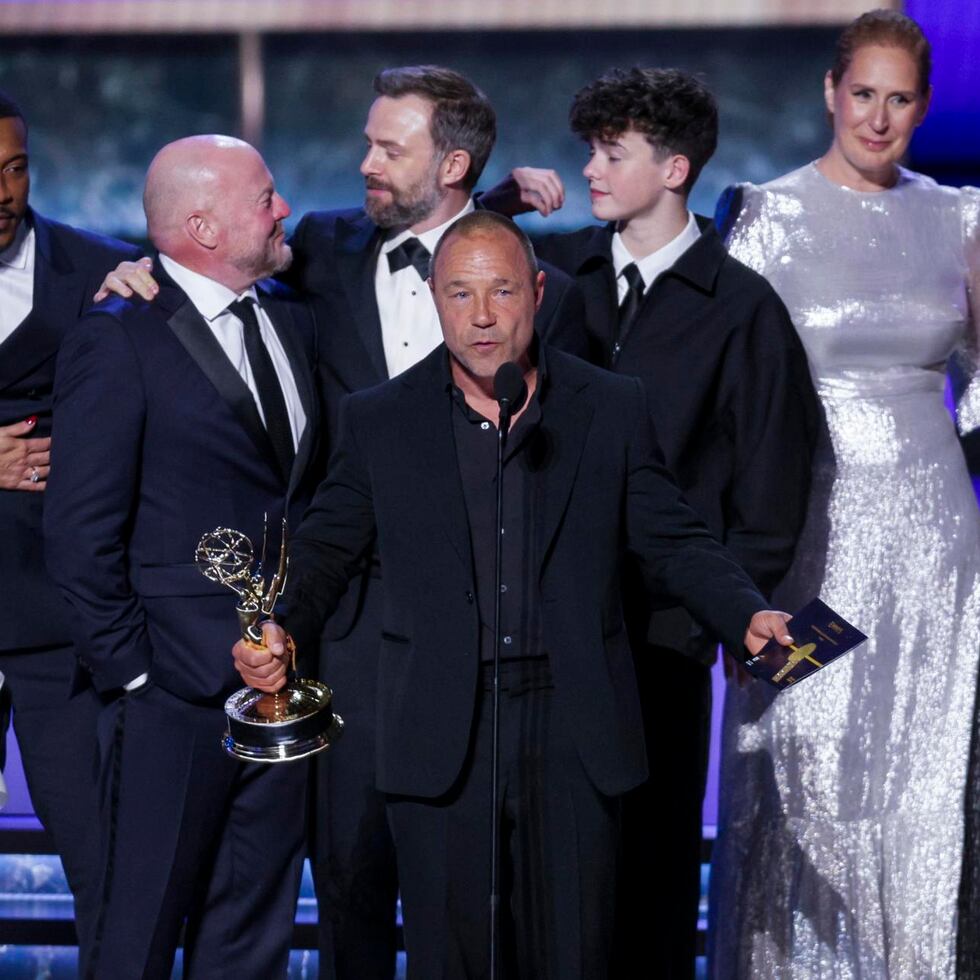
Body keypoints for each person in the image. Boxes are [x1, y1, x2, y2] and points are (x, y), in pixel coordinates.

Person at [95, 64, 590, 980]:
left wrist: (503, 200)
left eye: (385, 147)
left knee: (482, 896)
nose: (361, 161)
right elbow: (201, 258)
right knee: (347, 882)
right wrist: (132, 271)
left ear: (449, 167)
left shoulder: (539, 292)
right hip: (344, 636)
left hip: (495, 638)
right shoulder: (319, 250)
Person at [233, 209, 796, 980]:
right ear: (434, 300)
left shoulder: (610, 405)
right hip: (439, 729)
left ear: (536, 291)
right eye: (460, 294)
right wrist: (283, 628)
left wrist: (745, 611)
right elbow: (328, 547)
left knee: (574, 957)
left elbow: (673, 537)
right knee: (450, 960)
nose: (483, 316)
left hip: (574, 730)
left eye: (501, 291)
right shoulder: (380, 421)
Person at [491, 67, 818, 977]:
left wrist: (711, 620)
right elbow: (449, 261)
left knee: (652, 877)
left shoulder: (742, 308)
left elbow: (770, 491)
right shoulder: (565, 284)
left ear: (674, 169)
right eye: (590, 149)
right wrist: (498, 199)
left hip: (662, 643)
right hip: (547, 631)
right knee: (545, 871)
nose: (590, 169)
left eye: (612, 152)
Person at [706, 11, 980, 978]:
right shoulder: (765, 213)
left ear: (923, 107)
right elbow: (723, 387)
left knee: (922, 768)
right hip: (811, 538)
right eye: (862, 93)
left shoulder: (961, 217)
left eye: (899, 98)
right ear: (830, 93)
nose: (878, 117)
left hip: (938, 544)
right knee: (803, 755)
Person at [43, 135, 321, 979]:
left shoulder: (294, 315)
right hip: (169, 699)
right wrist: (137, 678)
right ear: (200, 223)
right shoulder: (119, 334)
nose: (283, 210)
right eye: (264, 196)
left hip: (280, 691)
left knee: (253, 934)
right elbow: (78, 531)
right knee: (137, 935)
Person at [0, 89, 141, 964]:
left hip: (61, 625)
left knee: (104, 864)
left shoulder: (103, 272)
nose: (2, 192)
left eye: (15, 169)